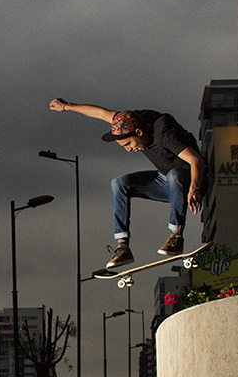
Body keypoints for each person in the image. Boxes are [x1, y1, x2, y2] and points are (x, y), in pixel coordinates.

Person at [49, 99, 206, 268]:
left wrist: (194, 189)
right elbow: (101, 113)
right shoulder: (129, 120)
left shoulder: (165, 133)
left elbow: (196, 161)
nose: (129, 150)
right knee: (119, 184)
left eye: (128, 144)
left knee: (174, 175)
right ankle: (123, 247)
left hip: (193, 181)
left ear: (139, 132)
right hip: (165, 180)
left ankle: (176, 236)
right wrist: (66, 106)